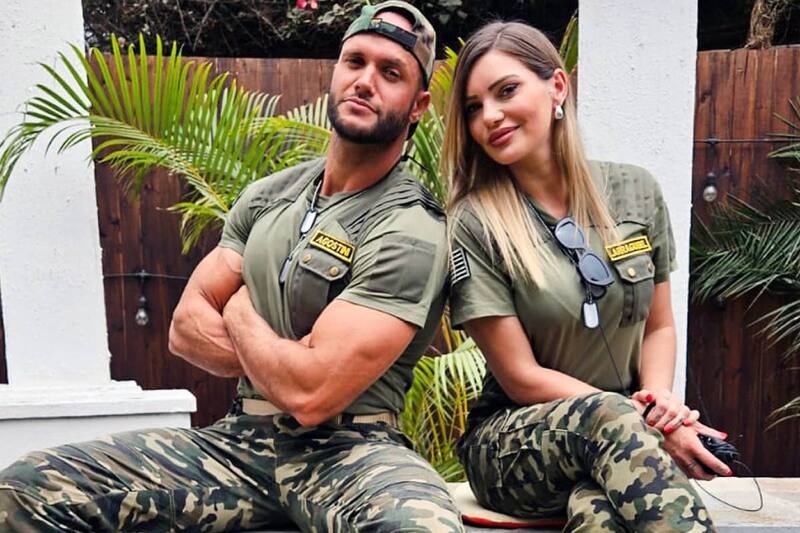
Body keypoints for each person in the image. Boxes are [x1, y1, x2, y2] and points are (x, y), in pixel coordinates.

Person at [0, 3, 465, 531]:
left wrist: (240, 310)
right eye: (354, 61)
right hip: (239, 444)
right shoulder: (269, 196)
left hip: (354, 451)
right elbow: (185, 328)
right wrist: (286, 362)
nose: (365, 81)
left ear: (418, 105)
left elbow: (312, 394)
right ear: (335, 72)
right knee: (25, 489)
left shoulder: (410, 226)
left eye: (390, 72)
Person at [442, 21, 730, 532]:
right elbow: (520, 376)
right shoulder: (475, 222)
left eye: (506, 91)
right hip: (514, 443)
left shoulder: (635, 191)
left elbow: (659, 326)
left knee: (597, 513)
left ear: (557, 86)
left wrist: (659, 405)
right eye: (472, 107)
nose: (490, 116)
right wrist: (639, 421)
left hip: (623, 435)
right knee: (608, 423)